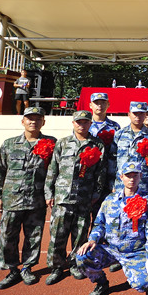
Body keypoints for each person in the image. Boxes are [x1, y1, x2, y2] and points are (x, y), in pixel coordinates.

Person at [76, 161, 148, 295]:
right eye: (128, 176)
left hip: (135, 252)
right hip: (111, 250)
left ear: (140, 176)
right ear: (121, 177)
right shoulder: (110, 200)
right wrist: (92, 239)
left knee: (144, 285)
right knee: (82, 257)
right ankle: (101, 283)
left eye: (135, 175)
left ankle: (133, 269)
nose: (132, 179)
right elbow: (99, 224)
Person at [0, 106, 56, 289]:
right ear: (23, 121)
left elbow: (55, 172)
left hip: (36, 200)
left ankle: (27, 268)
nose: (33, 122)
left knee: (33, 236)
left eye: (37, 118)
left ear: (43, 122)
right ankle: (12, 269)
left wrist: (50, 195)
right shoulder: (9, 144)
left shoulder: (51, 143)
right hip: (12, 199)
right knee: (7, 235)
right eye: (29, 118)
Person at [44, 110, 106, 285]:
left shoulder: (97, 145)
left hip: (84, 198)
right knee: (57, 234)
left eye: (85, 122)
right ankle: (56, 267)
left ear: (90, 124)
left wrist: (96, 194)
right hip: (62, 198)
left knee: (80, 235)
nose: (82, 125)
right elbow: (53, 169)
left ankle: (75, 264)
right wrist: (49, 193)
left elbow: (100, 172)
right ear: (73, 123)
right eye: (79, 122)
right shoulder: (63, 143)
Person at [110, 101, 148, 197]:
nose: (138, 117)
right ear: (129, 114)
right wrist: (111, 183)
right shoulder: (120, 134)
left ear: (145, 115)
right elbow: (112, 160)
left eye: (141, 113)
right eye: (135, 113)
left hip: (143, 182)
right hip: (122, 182)